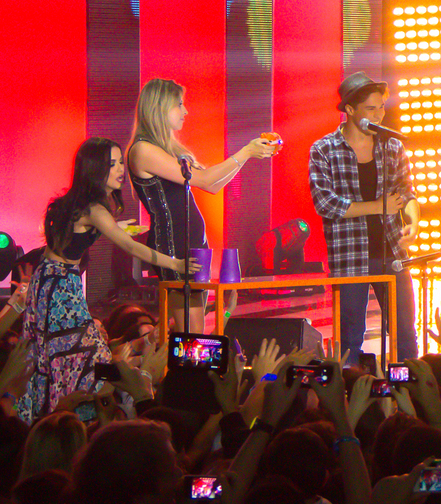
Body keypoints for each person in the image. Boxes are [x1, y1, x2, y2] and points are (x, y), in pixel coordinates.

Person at [15, 138, 191, 424]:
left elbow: (89, 231)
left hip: (52, 281)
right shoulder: (93, 209)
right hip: (59, 287)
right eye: (112, 164)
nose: (121, 169)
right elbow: (130, 246)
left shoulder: (82, 204)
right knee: (80, 353)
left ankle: (65, 416)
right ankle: (75, 417)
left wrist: (115, 227)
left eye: (121, 162)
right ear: (95, 169)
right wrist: (175, 263)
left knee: (65, 352)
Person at [127, 78, 276, 332]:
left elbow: (212, 185)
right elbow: (205, 179)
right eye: (179, 104)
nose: (185, 111)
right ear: (160, 107)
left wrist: (248, 156)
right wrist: (245, 152)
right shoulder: (143, 150)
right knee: (191, 332)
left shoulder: (170, 149)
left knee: (191, 328)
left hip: (193, 242)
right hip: (173, 246)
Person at [309, 72, 419, 364]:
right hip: (349, 257)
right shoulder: (324, 149)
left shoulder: (392, 146)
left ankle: (409, 386)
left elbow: (406, 192)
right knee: (349, 338)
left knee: (405, 334)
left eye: (381, 107)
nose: (379, 115)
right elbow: (326, 203)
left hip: (392, 254)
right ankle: (350, 388)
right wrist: (378, 206)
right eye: (370, 109)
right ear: (350, 109)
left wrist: (413, 221)